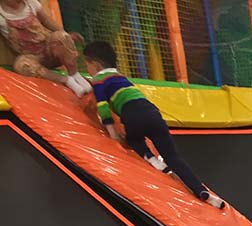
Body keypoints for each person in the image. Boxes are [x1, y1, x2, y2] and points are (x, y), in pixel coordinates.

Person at [82, 41, 225, 209]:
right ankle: (202, 191)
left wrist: (113, 135)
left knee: (133, 140)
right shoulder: (121, 77)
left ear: (95, 64)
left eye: (87, 65)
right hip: (153, 113)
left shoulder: (99, 81)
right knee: (173, 157)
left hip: (132, 114)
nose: (88, 70)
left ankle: (151, 158)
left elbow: (103, 108)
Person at [0, 0, 91, 96]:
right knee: (21, 64)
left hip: (48, 49)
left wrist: (65, 34)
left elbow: (47, 20)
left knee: (61, 36)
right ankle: (67, 80)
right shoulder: (1, 14)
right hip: (31, 57)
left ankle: (74, 74)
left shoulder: (31, 3)